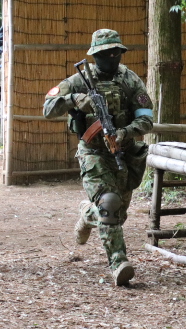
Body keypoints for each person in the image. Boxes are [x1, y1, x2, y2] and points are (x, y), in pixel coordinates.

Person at [43, 29, 153, 286]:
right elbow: (48, 109)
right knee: (109, 204)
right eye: (105, 53)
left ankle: (87, 214)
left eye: (116, 52)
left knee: (117, 215)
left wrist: (125, 132)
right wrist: (73, 99)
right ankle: (119, 263)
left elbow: (146, 119)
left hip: (123, 152)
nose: (111, 57)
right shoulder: (78, 81)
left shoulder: (130, 80)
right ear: (94, 55)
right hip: (93, 152)